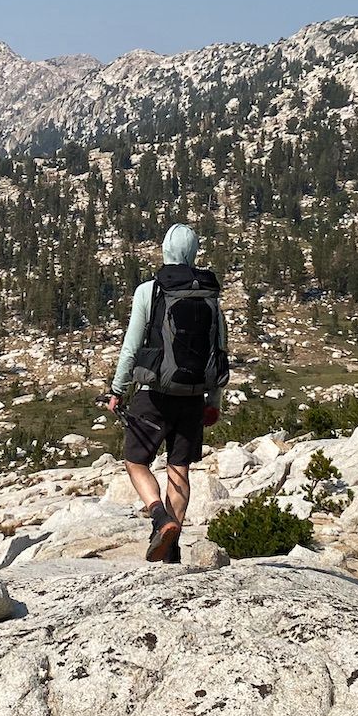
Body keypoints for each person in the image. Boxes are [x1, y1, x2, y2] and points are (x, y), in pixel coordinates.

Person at [104, 224, 229, 563]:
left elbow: (131, 347)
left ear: (165, 251)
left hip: (154, 393)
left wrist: (117, 389)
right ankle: (172, 549)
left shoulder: (151, 290)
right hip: (193, 396)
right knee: (180, 468)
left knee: (135, 461)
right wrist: (213, 402)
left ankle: (160, 518)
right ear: (193, 253)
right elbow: (219, 350)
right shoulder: (210, 296)